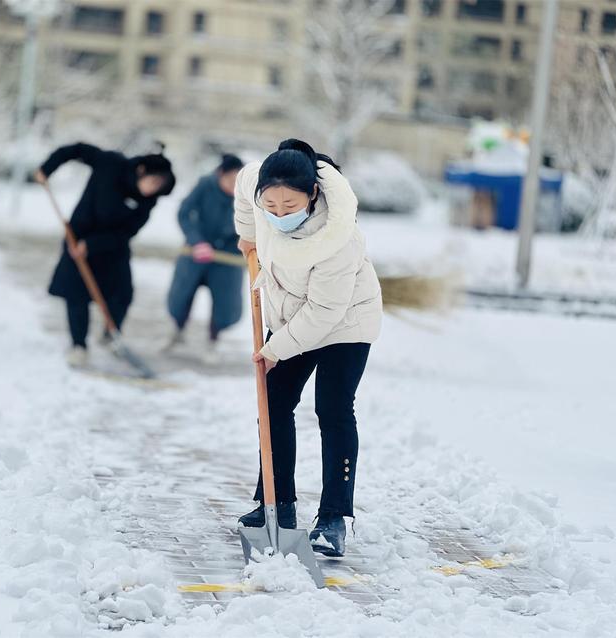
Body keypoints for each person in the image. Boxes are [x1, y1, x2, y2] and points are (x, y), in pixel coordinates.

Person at [233, 139, 382, 557]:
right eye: (271, 206)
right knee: (273, 402)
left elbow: (325, 311)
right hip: (290, 315)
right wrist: (248, 236)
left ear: (313, 195)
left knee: (332, 410)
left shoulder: (339, 237)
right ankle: (275, 505)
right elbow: (245, 195)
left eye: (290, 206)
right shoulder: (255, 186)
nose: (279, 214)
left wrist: (277, 348)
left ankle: (334, 518)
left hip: (344, 322)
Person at [35, 142, 176, 367]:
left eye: (160, 186)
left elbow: (127, 232)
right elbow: (75, 150)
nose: (154, 189)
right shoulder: (110, 163)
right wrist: (47, 168)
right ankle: (79, 345)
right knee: (77, 295)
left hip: (112, 248)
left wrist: (92, 245)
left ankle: (111, 334)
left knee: (122, 294)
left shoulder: (148, 201)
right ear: (141, 170)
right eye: (154, 181)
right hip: (78, 238)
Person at [165, 154, 245, 358]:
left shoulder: (247, 194)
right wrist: (196, 241)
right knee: (182, 295)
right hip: (196, 254)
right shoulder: (204, 185)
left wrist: (242, 245)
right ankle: (178, 332)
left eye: (237, 182)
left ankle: (213, 340)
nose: (233, 186)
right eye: (229, 181)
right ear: (220, 174)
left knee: (224, 301)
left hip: (228, 258)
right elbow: (184, 212)